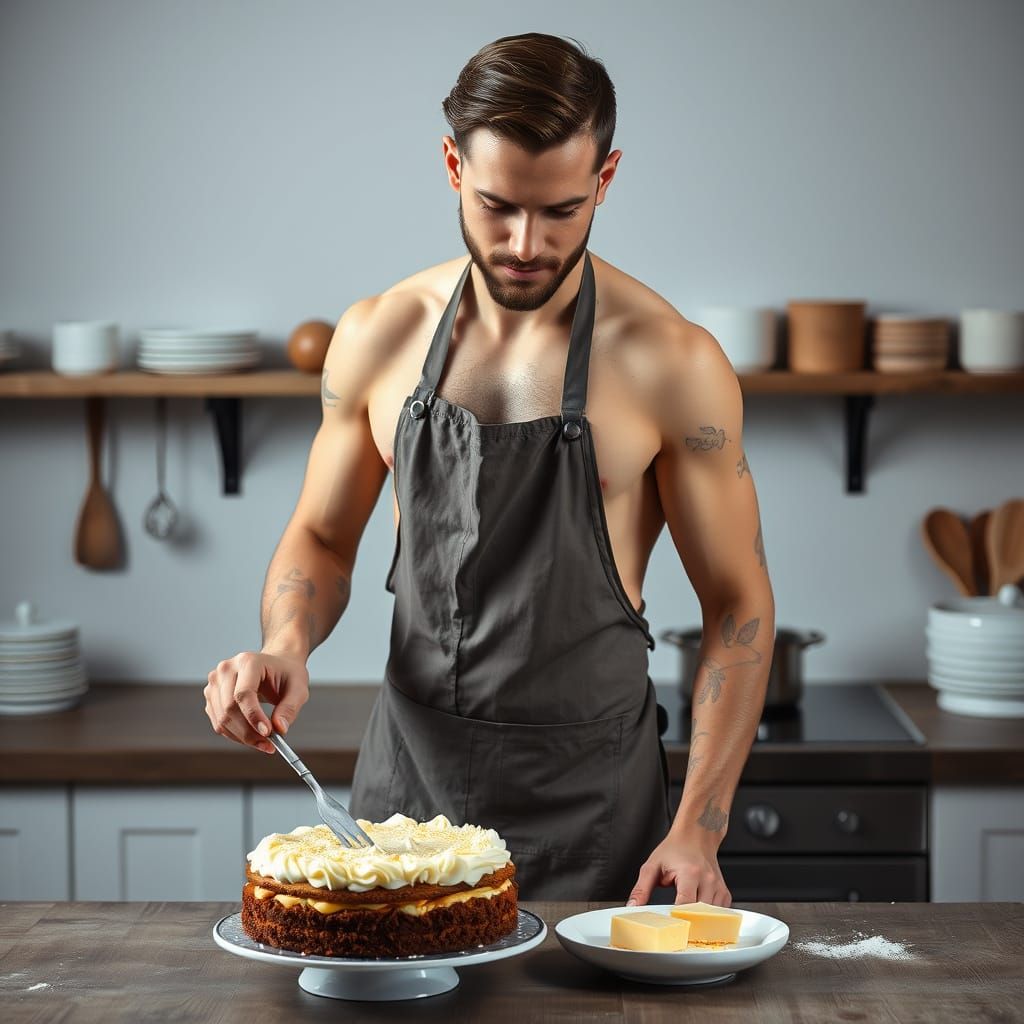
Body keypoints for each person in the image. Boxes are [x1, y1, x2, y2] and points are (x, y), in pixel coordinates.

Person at [204, 31, 775, 906]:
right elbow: (321, 537)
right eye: (497, 205)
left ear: (606, 181)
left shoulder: (673, 363)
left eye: (562, 212)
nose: (523, 243)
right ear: (451, 166)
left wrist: (698, 827)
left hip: (593, 804)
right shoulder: (379, 335)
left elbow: (738, 605)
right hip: (405, 796)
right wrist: (285, 645)